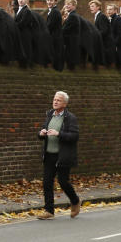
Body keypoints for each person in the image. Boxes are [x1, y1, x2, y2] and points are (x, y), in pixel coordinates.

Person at [37, 91, 80, 220]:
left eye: (58, 100)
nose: (55, 102)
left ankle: (75, 200)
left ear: (65, 104)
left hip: (62, 156)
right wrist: (41, 133)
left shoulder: (70, 118)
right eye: (54, 99)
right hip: (49, 154)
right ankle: (49, 210)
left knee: (63, 182)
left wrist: (59, 133)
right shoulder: (50, 115)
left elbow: (74, 136)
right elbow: (42, 131)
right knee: (47, 183)